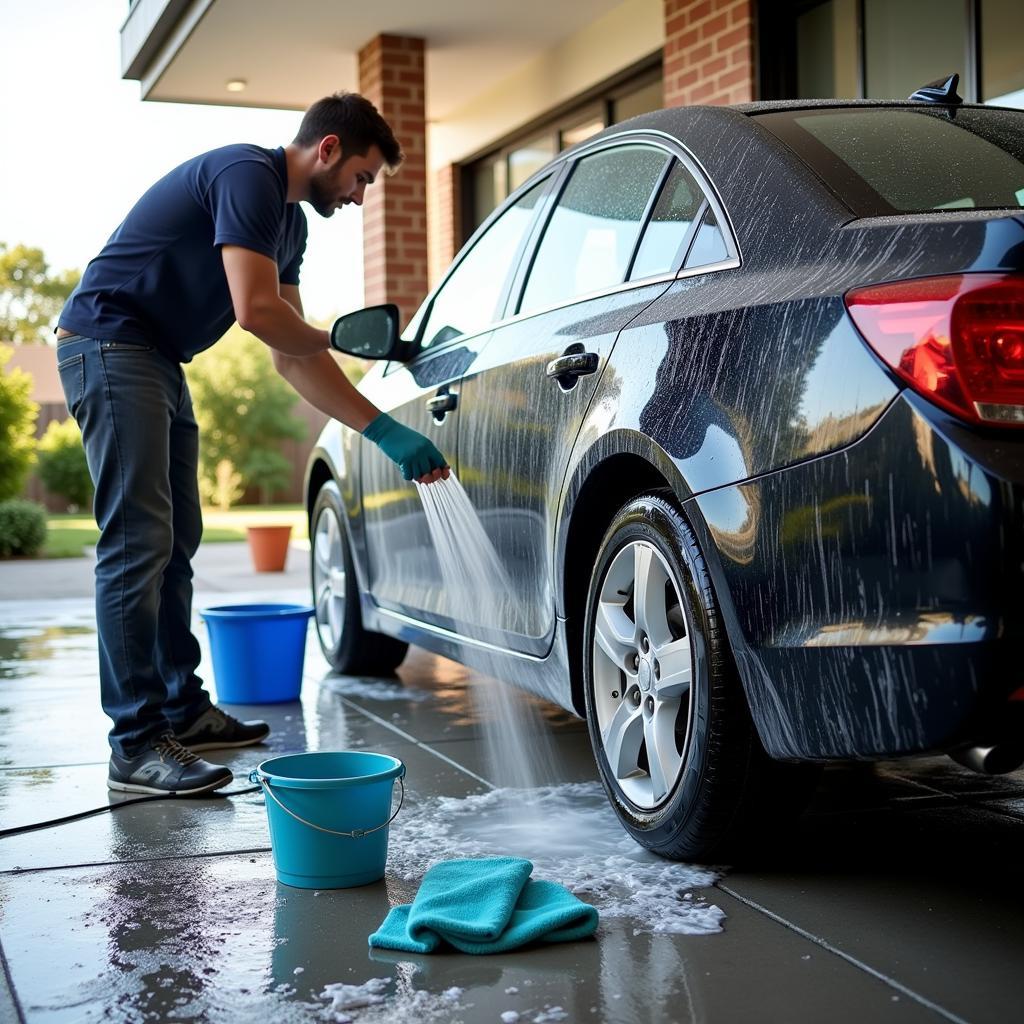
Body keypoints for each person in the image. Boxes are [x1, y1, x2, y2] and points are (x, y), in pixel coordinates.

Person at [55, 92, 448, 797]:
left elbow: (287, 354)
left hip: (157, 357)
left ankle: (182, 710)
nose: (361, 198)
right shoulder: (248, 175)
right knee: (138, 540)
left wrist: (382, 429)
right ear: (327, 149)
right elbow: (258, 312)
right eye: (362, 177)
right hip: (107, 343)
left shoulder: (288, 228)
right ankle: (136, 745)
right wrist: (343, 337)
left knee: (177, 540)